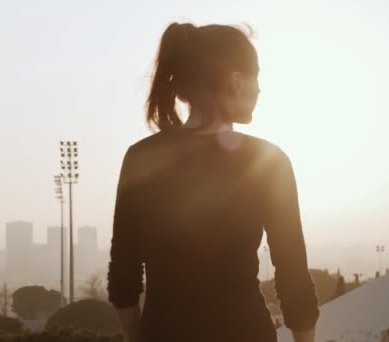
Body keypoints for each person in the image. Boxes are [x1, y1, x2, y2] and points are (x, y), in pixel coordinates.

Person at [107, 22, 319, 342]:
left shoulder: (141, 158)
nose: (259, 89)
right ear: (235, 81)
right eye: (256, 76)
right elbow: (294, 279)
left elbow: (123, 281)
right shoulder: (269, 161)